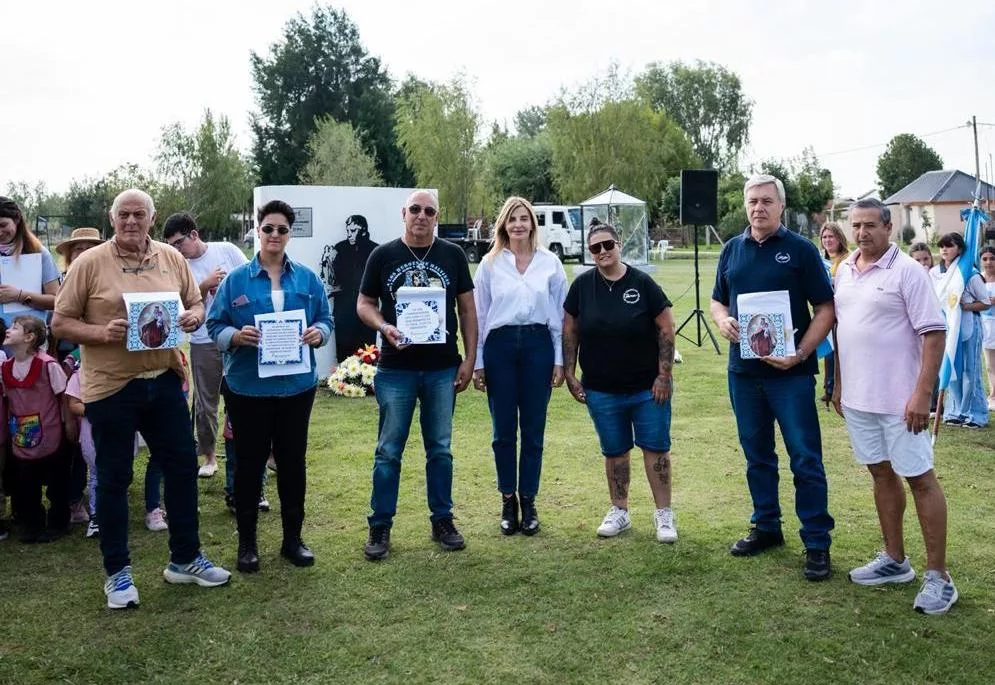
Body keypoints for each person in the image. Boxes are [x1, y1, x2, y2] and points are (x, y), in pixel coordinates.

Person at [52, 188, 230, 610]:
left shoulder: (170, 257)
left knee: (182, 469)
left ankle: (185, 558)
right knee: (114, 477)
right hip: (111, 386)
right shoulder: (89, 263)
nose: (131, 221)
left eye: (139, 214)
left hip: (163, 379)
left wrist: (194, 316)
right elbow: (59, 322)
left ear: (152, 218)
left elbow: (194, 302)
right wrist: (100, 333)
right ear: (112, 218)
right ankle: (117, 574)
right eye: (124, 215)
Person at [832, 198, 958, 614]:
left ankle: (939, 577)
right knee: (880, 473)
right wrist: (840, 384)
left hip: (902, 402)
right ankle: (895, 560)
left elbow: (934, 334)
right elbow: (844, 331)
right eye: (856, 225)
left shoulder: (908, 272)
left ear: (888, 227)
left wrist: (922, 393)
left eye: (870, 225)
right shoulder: (844, 270)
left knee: (920, 479)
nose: (862, 232)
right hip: (859, 400)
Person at [709, 174, 836, 581]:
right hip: (744, 373)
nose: (758, 207)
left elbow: (826, 309)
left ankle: (816, 541)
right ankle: (766, 526)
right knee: (757, 455)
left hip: (790, 375)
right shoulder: (732, 249)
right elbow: (716, 301)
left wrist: (801, 353)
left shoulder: (800, 250)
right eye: (753, 201)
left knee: (805, 458)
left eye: (766, 201)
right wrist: (722, 320)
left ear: (781, 206)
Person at [207, 199, 332, 573]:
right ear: (257, 231)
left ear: (289, 234)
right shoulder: (235, 280)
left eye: (282, 230)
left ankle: (293, 540)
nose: (274, 235)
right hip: (249, 389)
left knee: (292, 463)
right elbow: (214, 325)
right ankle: (247, 544)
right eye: (268, 228)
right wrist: (235, 336)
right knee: (248, 465)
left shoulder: (307, 279)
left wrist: (319, 333)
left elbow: (325, 319)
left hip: (297, 388)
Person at [357, 190, 477, 560]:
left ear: (437, 216)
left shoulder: (452, 255)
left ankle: (442, 520)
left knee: (439, 448)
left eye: (428, 211)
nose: (421, 216)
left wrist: (470, 359)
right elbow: (364, 303)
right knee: (388, 451)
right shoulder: (383, 255)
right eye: (415, 209)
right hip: (396, 368)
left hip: (442, 367)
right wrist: (384, 326)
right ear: (403, 213)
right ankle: (380, 525)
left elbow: (467, 310)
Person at [563, 223, 678, 543]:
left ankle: (664, 514)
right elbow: (570, 330)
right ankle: (620, 511)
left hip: (647, 389)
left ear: (619, 244)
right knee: (615, 452)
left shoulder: (642, 282)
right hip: (601, 389)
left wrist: (664, 376)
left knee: (656, 449)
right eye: (595, 248)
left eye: (608, 245)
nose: (602, 251)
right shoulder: (582, 286)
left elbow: (666, 328)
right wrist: (570, 373)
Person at [472, 196, 567, 535]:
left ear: (532, 224)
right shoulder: (489, 264)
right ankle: (507, 499)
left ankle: (528, 500)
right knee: (502, 431)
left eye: (524, 218)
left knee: (533, 428)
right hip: (500, 347)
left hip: (538, 346)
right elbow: (480, 316)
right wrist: (478, 363)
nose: (518, 225)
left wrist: (559, 360)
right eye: (512, 219)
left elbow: (561, 316)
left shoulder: (550, 263)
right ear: (503, 225)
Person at [162, 212, 249, 479]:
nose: (177, 250)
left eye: (179, 243)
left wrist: (225, 289)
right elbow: (179, 305)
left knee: (247, 396)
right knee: (205, 403)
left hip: (237, 335)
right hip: (203, 340)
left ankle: (257, 451)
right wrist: (204, 285)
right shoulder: (179, 265)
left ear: (194, 235)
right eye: (171, 246)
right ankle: (209, 456)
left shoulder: (227, 250)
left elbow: (250, 282)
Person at [1, 316, 71, 543]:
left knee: (57, 481)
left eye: (15, 327)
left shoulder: (48, 365)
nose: (8, 330)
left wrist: (68, 424)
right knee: (26, 482)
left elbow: (63, 396)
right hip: (21, 434)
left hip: (51, 432)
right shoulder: (5, 368)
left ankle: (58, 522)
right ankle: (32, 523)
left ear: (29, 337)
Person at [55, 227, 106, 526]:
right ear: (70, 255)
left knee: (93, 429)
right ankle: (73, 497)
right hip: (64, 363)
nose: (84, 253)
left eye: (90, 248)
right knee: (69, 431)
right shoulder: (61, 284)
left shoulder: (107, 281)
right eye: (78, 249)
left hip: (97, 363)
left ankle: (99, 493)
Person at [930, 232, 990, 427]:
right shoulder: (935, 273)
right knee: (952, 368)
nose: (944, 250)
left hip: (968, 326)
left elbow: (985, 302)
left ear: (960, 249)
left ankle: (975, 413)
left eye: (949, 246)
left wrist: (966, 306)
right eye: (942, 246)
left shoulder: (970, 274)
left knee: (970, 371)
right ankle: (955, 411)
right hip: (947, 327)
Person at [0, 196, 61, 330]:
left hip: (30, 335)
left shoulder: (39, 253)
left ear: (17, 220)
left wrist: (19, 296)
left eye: (3, 225)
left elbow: (56, 301)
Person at [330, 215, 379, 362]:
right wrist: (329, 262)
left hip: (368, 309)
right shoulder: (339, 248)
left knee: (368, 353)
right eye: (348, 230)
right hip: (344, 308)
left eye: (353, 230)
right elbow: (333, 280)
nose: (349, 234)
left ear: (363, 231)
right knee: (343, 356)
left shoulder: (376, 250)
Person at [819, 221, 849, 403]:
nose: (828, 240)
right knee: (829, 351)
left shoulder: (848, 260)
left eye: (831, 236)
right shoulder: (819, 261)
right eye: (824, 237)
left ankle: (839, 388)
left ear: (839, 238)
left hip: (844, 314)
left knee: (840, 352)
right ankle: (829, 388)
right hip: (826, 313)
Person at [980, 246, 995, 410]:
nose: (989, 262)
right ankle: (993, 394)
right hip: (985, 326)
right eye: (985, 259)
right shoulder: (979, 278)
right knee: (990, 364)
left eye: (992, 258)